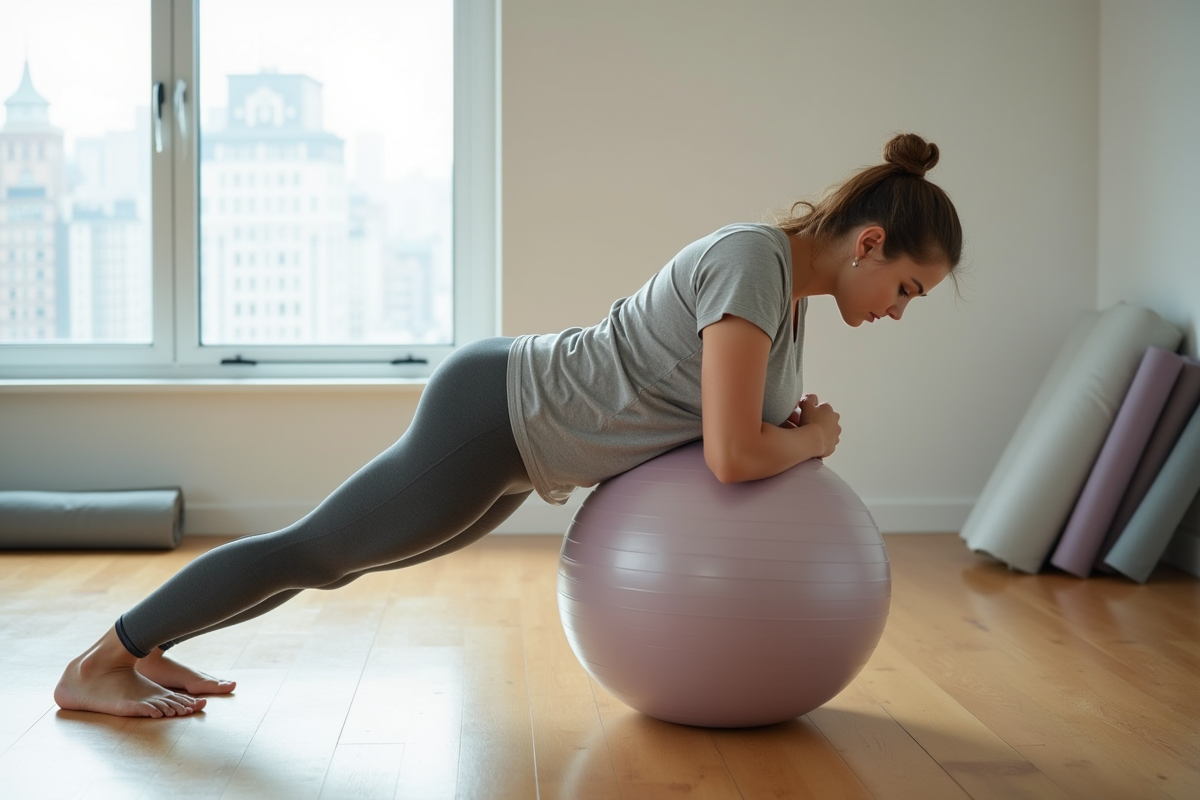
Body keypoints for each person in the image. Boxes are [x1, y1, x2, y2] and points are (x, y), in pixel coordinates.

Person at [54, 132, 962, 718]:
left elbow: (712, 422)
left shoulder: (785, 302)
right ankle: (102, 661)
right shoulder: (752, 263)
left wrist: (790, 427)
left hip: (523, 450)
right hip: (496, 412)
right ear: (870, 243)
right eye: (908, 289)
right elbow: (730, 456)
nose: (898, 310)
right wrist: (808, 439)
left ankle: (152, 647)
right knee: (314, 548)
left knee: (329, 562)